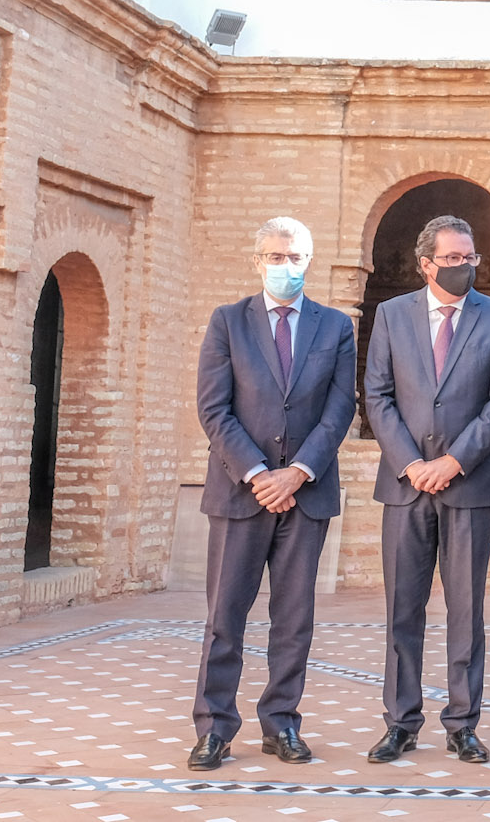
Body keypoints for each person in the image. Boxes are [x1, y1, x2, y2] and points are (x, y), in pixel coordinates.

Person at [189, 216, 357, 771]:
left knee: (294, 616)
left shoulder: (335, 327)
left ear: (309, 261)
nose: (288, 267)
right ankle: (214, 728)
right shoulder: (228, 322)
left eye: (297, 257)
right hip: (241, 493)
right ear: (257, 260)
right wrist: (260, 473)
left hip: (305, 494)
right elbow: (214, 409)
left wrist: (299, 471)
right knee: (225, 618)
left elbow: (340, 409)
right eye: (277, 257)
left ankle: (281, 721)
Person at [361, 214, 490, 765]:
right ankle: (401, 722)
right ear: (426, 263)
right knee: (402, 610)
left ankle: (462, 723)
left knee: (466, 611)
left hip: (467, 485)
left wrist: (453, 461)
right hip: (405, 488)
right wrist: (411, 464)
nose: (463, 268)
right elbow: (378, 395)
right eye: (452, 259)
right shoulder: (391, 315)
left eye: (470, 258)